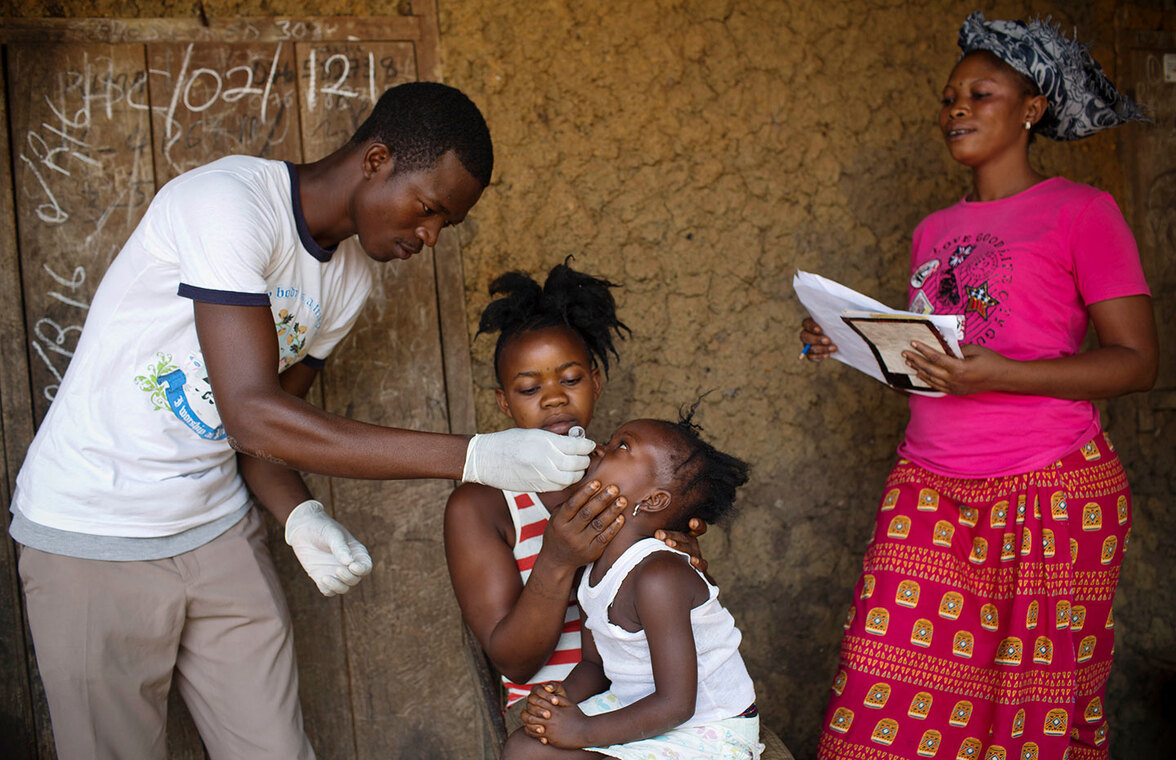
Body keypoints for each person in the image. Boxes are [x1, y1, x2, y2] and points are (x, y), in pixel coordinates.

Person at [10, 82, 596, 760]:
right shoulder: (227, 205)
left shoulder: (349, 278)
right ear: (376, 159)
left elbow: (262, 432)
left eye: (445, 225)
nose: (429, 236)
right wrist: (475, 457)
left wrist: (297, 516)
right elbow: (253, 415)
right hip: (93, 529)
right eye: (428, 209)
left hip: (215, 526)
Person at [800, 13, 1156, 760]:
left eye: (980, 94)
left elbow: (1135, 361)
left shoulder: (1082, 213)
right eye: (949, 96)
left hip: (1049, 488)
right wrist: (857, 342)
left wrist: (1002, 375)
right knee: (882, 689)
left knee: (1031, 710)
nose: (956, 109)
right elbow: (937, 374)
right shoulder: (933, 231)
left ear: (1031, 110)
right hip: (929, 483)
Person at [444, 260, 709, 734]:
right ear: (504, 401)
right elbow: (515, 663)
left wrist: (680, 559)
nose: (553, 399)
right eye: (529, 388)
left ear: (596, 381)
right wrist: (558, 559)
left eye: (570, 380)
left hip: (650, 690)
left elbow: (672, 604)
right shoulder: (482, 506)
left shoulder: (634, 478)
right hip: (554, 701)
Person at [500, 413, 761, 760]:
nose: (597, 450)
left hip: (709, 729)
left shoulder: (659, 577)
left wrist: (581, 730)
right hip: (637, 705)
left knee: (529, 755)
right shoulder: (592, 563)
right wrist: (556, 700)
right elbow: (595, 667)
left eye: (621, 447)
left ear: (653, 500)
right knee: (523, 746)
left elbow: (676, 705)